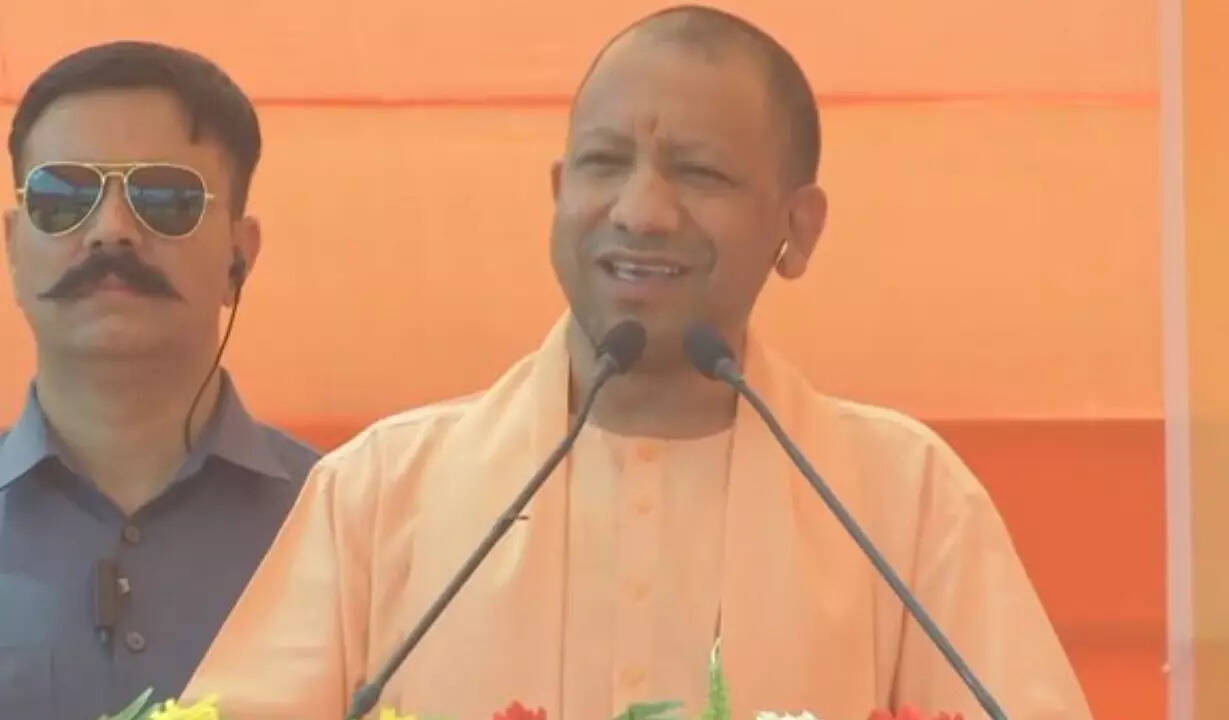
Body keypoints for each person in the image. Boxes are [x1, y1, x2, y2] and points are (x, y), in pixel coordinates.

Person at [188, 7, 1092, 718]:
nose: (641, 211)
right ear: (558, 195)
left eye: (699, 173)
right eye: (603, 163)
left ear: (798, 228)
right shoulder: (380, 491)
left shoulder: (904, 499)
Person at [0, 42, 318, 718]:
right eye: (63, 198)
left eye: (164, 199)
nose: (111, 232)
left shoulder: (341, 521)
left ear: (239, 254)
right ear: (13, 249)